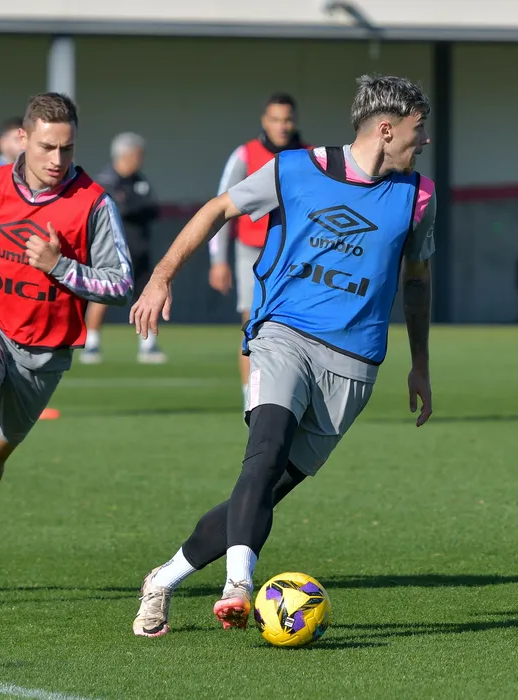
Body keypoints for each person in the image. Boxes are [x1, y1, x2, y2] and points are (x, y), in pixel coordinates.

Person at [130, 75, 436, 637]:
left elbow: (416, 281)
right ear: (387, 130)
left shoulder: (418, 195)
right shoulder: (295, 169)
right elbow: (219, 208)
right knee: (264, 451)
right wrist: (162, 275)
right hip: (283, 335)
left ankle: (163, 579)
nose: (426, 141)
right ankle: (238, 585)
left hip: (355, 364)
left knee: (265, 490)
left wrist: (420, 363)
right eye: (419, 130)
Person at [0, 92, 133, 501]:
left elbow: (120, 285)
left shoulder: (94, 204)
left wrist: (59, 266)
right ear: (22, 138)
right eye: (47, 147)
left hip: (43, 352)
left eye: (66, 149)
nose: (57, 159)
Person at [208, 93, 308, 407]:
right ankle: (250, 397)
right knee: (252, 323)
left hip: (294, 254)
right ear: (265, 121)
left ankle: (294, 395)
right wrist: (218, 261)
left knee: (296, 325)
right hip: (251, 252)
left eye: (287, 120)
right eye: (275, 119)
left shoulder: (309, 156)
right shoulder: (245, 154)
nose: (282, 126)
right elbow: (220, 206)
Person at [80, 132, 164, 364]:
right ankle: (92, 344)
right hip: (113, 250)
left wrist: (137, 207)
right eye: (137, 154)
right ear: (125, 154)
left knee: (145, 294)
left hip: (140, 247)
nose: (140, 159)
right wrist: (138, 208)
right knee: (102, 293)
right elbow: (121, 209)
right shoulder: (107, 179)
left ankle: (148, 344)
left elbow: (152, 208)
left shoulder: (139, 180)